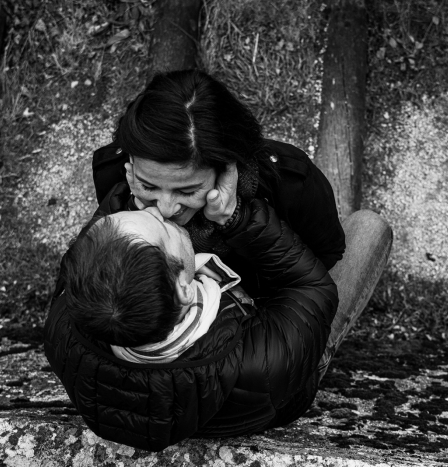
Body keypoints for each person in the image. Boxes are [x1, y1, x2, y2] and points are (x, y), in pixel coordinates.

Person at [44, 189, 392, 451]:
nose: (158, 208)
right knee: (368, 228)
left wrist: (137, 185)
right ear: (183, 288)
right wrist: (237, 216)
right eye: (161, 226)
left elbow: (92, 245)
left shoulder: (64, 325)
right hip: (280, 379)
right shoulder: (264, 361)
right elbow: (310, 286)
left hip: (204, 388)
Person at [91, 69, 345, 297]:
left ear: (227, 167)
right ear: (131, 160)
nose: (167, 209)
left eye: (187, 190)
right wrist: (131, 211)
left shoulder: (290, 184)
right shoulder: (113, 173)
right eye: (148, 186)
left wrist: (238, 220)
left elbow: (326, 255)